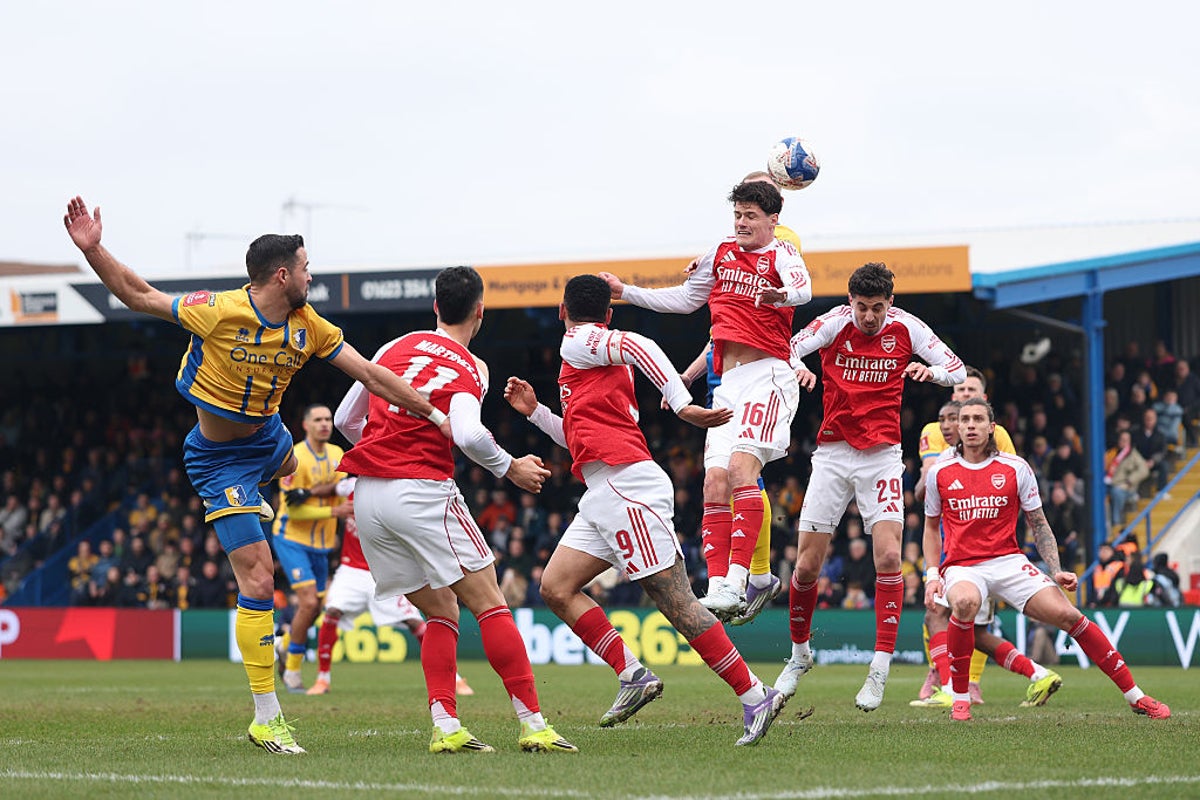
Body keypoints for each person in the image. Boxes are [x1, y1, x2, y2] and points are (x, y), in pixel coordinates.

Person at [64, 196, 444, 755]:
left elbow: (368, 373)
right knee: (261, 581)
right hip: (219, 460)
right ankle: (267, 717)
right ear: (282, 275)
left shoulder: (308, 325)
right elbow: (139, 294)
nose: (313, 276)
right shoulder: (218, 310)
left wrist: (433, 413)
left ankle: (263, 493)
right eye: (307, 268)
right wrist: (94, 250)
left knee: (291, 465)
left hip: (270, 437)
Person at [504, 275, 788, 746]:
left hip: (627, 488)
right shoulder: (589, 362)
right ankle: (632, 675)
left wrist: (682, 404)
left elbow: (641, 344)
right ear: (607, 312)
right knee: (556, 587)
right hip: (605, 489)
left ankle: (755, 694)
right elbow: (579, 439)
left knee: (677, 602)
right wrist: (535, 412)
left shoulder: (577, 341)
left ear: (562, 311)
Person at [334, 265, 576, 754]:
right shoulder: (471, 366)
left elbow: (345, 418)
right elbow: (468, 434)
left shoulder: (393, 347)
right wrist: (510, 467)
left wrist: (386, 451)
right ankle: (534, 725)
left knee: (441, 609)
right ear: (480, 311)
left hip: (369, 496)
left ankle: (446, 727)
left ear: (435, 307)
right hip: (421, 489)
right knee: (489, 601)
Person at [598, 179, 812, 618]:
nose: (741, 223)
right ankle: (718, 587)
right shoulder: (720, 253)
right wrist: (627, 292)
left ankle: (739, 581)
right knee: (714, 481)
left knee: (740, 471)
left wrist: (782, 296)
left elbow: (803, 288)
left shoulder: (783, 254)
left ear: (773, 221)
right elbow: (685, 299)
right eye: (737, 215)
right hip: (728, 385)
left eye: (750, 216)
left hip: (769, 376)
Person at [777, 262, 966, 712]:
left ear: (890, 303)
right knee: (806, 566)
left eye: (877, 308)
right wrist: (799, 369)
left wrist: (932, 374)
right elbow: (787, 348)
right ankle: (799, 655)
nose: (868, 316)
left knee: (888, 558)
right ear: (850, 302)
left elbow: (957, 370)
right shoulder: (834, 322)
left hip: (881, 457)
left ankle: (879, 668)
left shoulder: (907, 328)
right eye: (861, 307)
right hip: (832, 452)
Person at [923, 398, 1170, 721]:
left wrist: (1056, 569)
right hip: (963, 565)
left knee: (1069, 615)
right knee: (965, 603)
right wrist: (932, 575)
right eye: (965, 419)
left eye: (978, 419)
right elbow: (931, 527)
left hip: (1008, 560)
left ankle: (1135, 696)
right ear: (957, 427)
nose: (970, 425)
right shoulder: (940, 472)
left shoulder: (1016, 468)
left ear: (991, 427)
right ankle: (959, 700)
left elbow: (1039, 524)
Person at [306, 500, 473, 697]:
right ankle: (322, 679)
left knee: (414, 621)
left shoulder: (393, 494)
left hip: (385, 567)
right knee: (332, 611)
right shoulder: (346, 489)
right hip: (351, 570)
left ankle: (454, 678)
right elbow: (325, 489)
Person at [272, 404, 353, 694]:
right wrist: (334, 512)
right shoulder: (294, 458)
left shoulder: (337, 454)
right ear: (306, 425)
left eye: (328, 419)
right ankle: (293, 672)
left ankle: (284, 644)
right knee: (308, 603)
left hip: (322, 544)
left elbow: (340, 493)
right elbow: (293, 511)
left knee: (316, 607)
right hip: (291, 537)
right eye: (318, 420)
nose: (324, 424)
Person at [1105, 430, 1149, 528]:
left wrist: (1130, 480)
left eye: (1126, 440)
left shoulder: (1133, 454)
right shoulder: (1112, 453)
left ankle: (1116, 522)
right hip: (1109, 483)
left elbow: (1144, 470)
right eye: (1122, 439)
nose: (1123, 442)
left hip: (1125, 487)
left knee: (1117, 492)